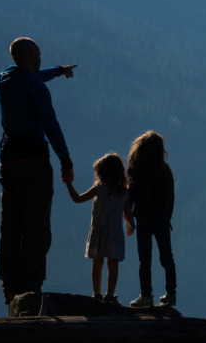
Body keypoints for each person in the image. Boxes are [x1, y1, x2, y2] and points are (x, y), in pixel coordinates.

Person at [0, 37, 78, 304]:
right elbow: (50, 124)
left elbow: (31, 78)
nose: (41, 58)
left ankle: (10, 287)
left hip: (8, 162)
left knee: (10, 224)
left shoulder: (5, 81)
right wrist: (66, 161)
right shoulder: (34, 86)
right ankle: (31, 291)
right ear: (31, 56)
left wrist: (57, 70)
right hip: (33, 161)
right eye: (39, 54)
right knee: (37, 227)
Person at [65, 153, 132, 305]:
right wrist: (131, 226)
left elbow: (78, 199)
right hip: (115, 233)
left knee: (98, 262)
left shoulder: (99, 189)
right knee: (113, 264)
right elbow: (128, 213)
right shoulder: (123, 192)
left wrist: (69, 184)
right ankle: (110, 294)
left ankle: (96, 293)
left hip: (99, 231)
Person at [126, 131, 177, 307]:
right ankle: (171, 294)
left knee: (144, 259)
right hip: (161, 217)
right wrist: (167, 216)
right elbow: (170, 196)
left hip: (143, 218)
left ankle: (146, 296)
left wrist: (129, 219)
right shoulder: (164, 169)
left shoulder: (135, 169)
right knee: (167, 257)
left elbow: (129, 196)